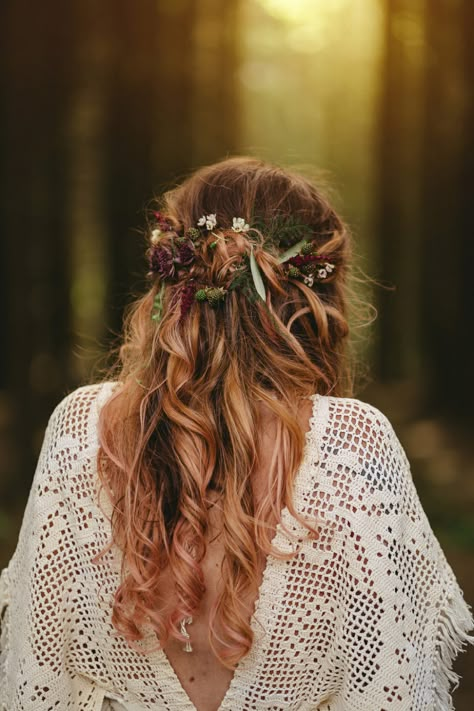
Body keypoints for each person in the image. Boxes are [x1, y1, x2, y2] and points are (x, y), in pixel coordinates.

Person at [0, 157, 472, 711]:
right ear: (315, 295)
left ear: (169, 277)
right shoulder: (353, 442)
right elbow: (395, 690)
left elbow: (33, 684)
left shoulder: (81, 429)